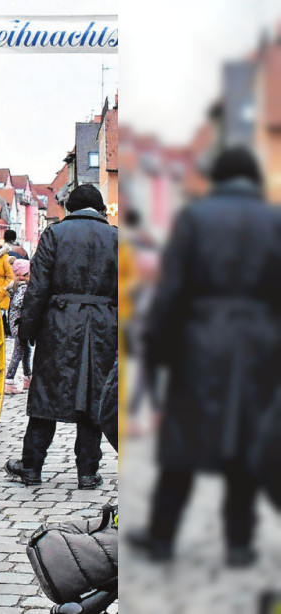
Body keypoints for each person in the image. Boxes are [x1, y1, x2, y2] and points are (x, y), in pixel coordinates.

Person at [131, 148, 281, 567]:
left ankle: (162, 536)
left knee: (181, 441)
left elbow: (172, 289)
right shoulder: (275, 220)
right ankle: (239, 543)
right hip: (259, 342)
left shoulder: (195, 218)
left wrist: (157, 348)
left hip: (200, 340)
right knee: (247, 439)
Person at [5, 184, 117, 490]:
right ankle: (87, 472)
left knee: (45, 397)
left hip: (59, 324)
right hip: (104, 325)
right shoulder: (118, 238)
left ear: (71, 208)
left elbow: (38, 287)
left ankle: (31, 467)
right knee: (94, 398)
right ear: (100, 210)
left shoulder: (54, 235)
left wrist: (27, 329)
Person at [5, 258, 32, 394]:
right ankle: (9, 380)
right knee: (18, 351)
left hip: (17, 322)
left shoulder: (15, 285)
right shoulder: (23, 287)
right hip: (20, 324)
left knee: (26, 350)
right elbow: (19, 303)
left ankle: (28, 377)